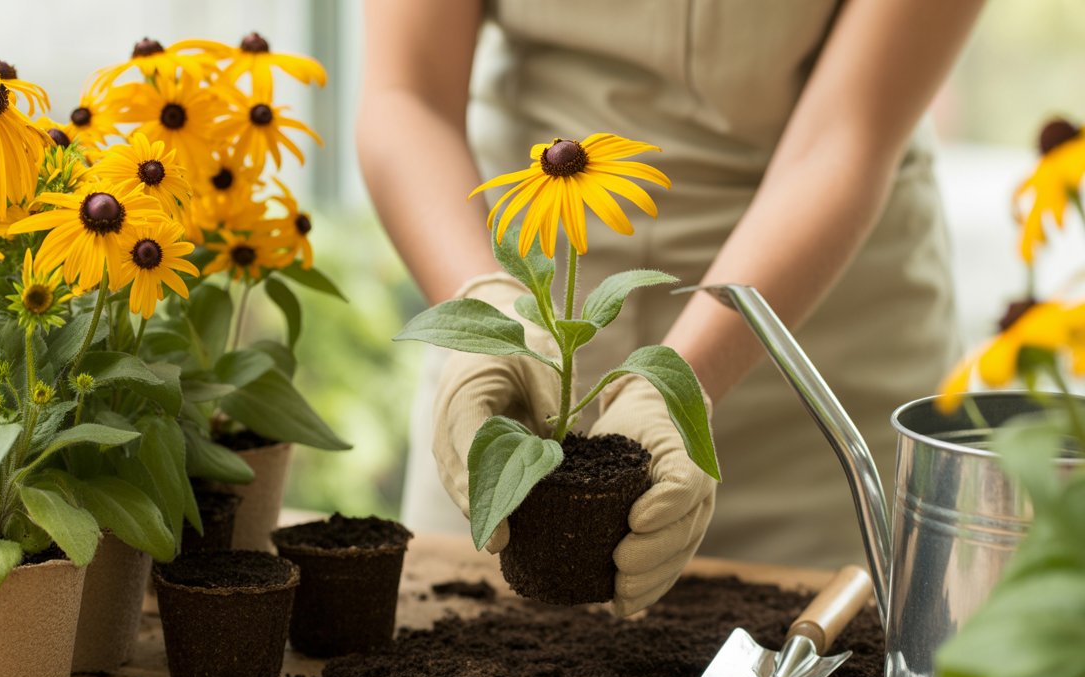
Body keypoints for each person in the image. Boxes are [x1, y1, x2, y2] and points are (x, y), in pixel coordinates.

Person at [357, 0, 985, 615]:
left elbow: (846, 134)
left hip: (806, 366)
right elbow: (406, 96)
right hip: (522, 283)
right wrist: (488, 309)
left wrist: (675, 387)